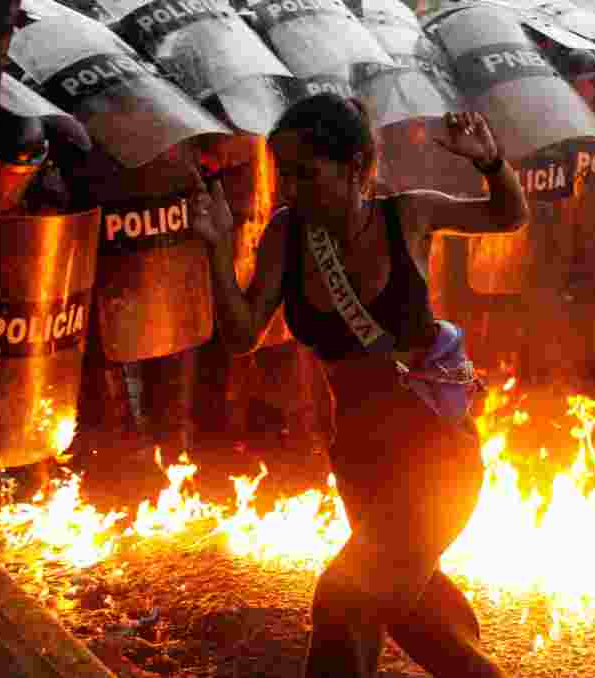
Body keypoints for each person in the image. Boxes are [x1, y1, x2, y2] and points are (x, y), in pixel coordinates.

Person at [190, 93, 528, 677]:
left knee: (345, 600)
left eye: (305, 173)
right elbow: (242, 334)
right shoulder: (287, 235)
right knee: (411, 612)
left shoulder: (410, 215)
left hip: (437, 456)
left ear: (355, 165)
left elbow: (506, 217)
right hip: (361, 461)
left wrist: (491, 162)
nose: (291, 189)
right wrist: (219, 251)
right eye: (284, 174)